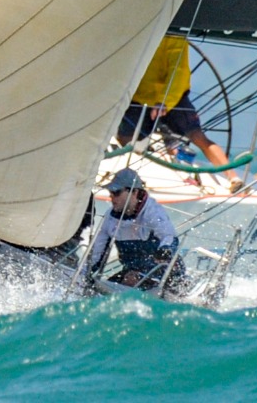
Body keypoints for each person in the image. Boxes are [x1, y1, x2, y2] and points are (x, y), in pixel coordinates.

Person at [117, 33, 241, 191]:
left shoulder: (174, 35)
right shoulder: (138, 32)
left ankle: (233, 178)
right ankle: (128, 176)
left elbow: (178, 71)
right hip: (140, 98)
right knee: (124, 139)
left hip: (172, 99)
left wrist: (164, 102)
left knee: (198, 137)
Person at [83, 168, 182, 293]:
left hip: (163, 272)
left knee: (132, 280)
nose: (112, 198)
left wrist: (165, 250)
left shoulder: (153, 212)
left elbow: (169, 237)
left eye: (117, 193)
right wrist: (86, 274)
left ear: (134, 192)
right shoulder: (110, 217)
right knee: (94, 288)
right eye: (111, 193)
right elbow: (97, 251)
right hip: (131, 273)